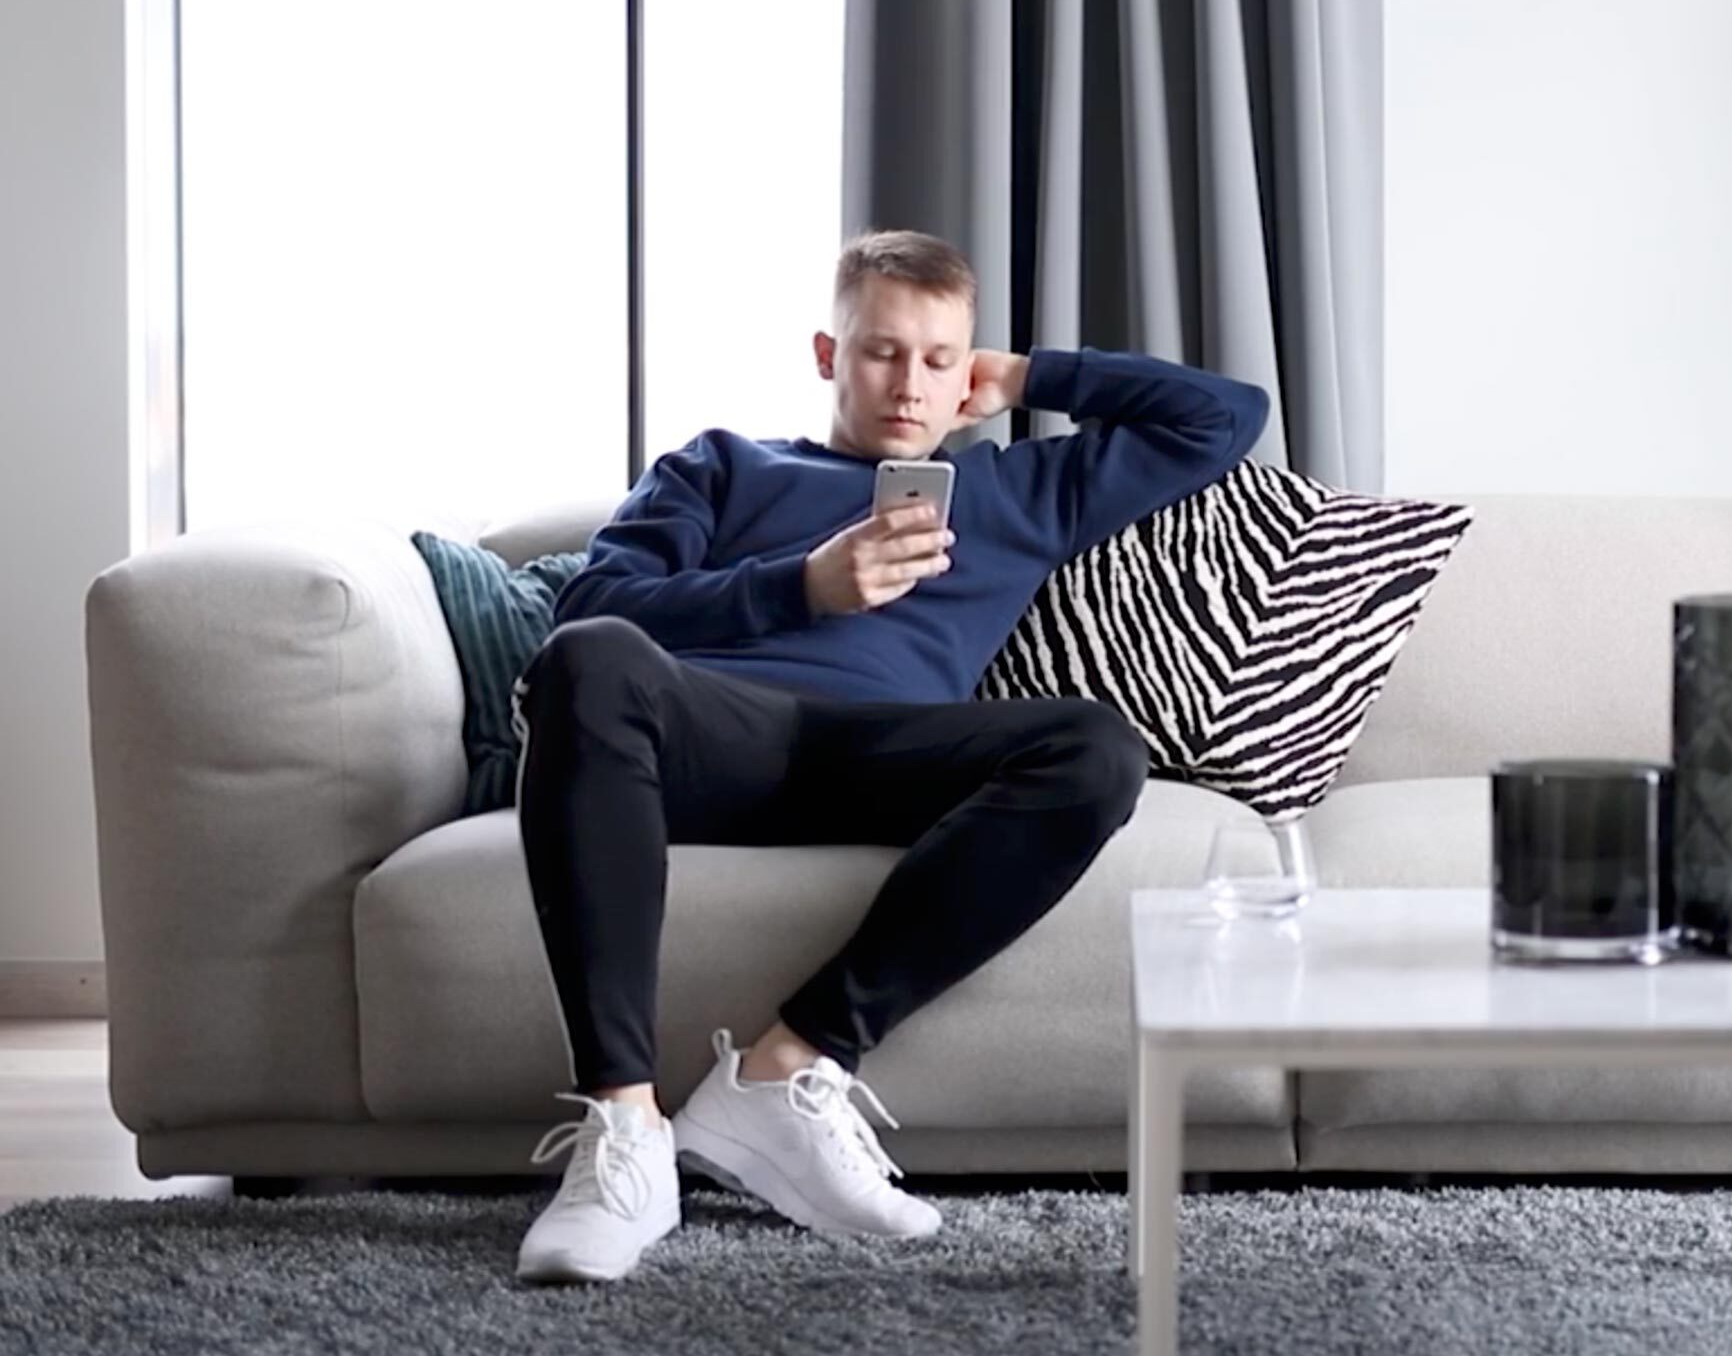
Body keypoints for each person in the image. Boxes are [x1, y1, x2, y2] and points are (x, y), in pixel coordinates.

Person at [509, 230, 1269, 1283]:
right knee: (591, 658)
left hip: (884, 756)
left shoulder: (1016, 492)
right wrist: (798, 587)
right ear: (829, 355)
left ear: (967, 371)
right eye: (881, 352)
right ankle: (625, 1131)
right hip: (713, 737)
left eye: (937, 359)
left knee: (1095, 747)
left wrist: (1028, 376)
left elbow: (1227, 417)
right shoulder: (723, 465)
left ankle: (787, 1068)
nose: (910, 384)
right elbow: (590, 610)